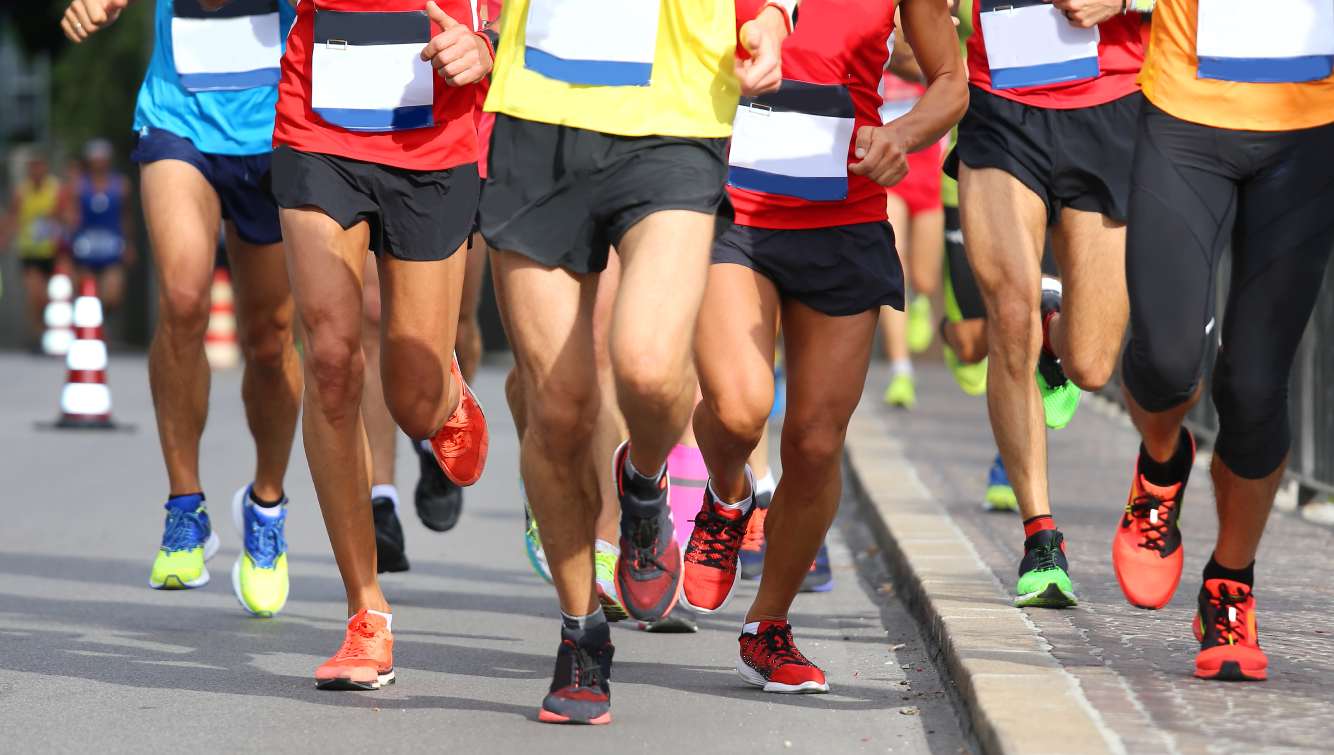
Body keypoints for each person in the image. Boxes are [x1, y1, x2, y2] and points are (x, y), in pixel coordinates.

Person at [479, 0, 790, 724]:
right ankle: (582, 632)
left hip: (676, 113)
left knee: (648, 365)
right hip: (537, 107)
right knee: (556, 409)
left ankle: (643, 484)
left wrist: (774, 15)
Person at [679, 0, 966, 695]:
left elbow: (952, 80)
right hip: (730, 208)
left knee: (813, 441)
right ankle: (727, 493)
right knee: (743, 407)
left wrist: (903, 134)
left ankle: (768, 624)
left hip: (845, 213)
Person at [267, 0, 493, 690]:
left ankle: (443, 391)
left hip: (439, 128)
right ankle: (366, 609)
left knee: (413, 398)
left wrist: (489, 40)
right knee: (331, 359)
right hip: (317, 121)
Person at [1112, 0, 1334, 682]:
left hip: (1309, 124)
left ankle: (1228, 587)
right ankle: (1160, 464)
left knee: (1256, 388)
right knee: (1167, 360)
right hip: (1185, 111)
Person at [61, 0, 304, 617]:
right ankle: (183, 508)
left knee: (272, 340)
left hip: (279, 130)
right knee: (184, 298)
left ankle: (266, 508)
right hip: (180, 122)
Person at [945, 0, 1146, 607]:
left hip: (1108, 105)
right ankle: (1041, 539)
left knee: (1091, 364)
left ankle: (1052, 338)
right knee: (1009, 316)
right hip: (1000, 104)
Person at [878, 44, 947, 410]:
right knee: (894, 257)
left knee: (925, 276)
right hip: (890, 159)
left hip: (929, 167)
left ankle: (920, 300)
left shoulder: (928, 27)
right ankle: (901, 370)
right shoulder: (874, 29)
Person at [1, 154, 63, 348]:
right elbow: (12, 219)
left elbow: (64, 215)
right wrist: (4, 242)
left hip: (52, 252)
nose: (36, 171)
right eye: (33, 167)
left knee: (47, 298)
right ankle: (36, 337)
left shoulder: (55, 189)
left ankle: (47, 331)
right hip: (29, 253)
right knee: (34, 295)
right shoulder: (21, 192)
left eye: (40, 167)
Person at [68, 139, 135, 313]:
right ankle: (90, 327)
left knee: (113, 296)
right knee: (85, 294)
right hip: (86, 245)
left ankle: (102, 318)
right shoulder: (78, 184)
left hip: (111, 245)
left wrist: (129, 244)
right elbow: (71, 213)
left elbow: (125, 215)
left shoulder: (121, 184)